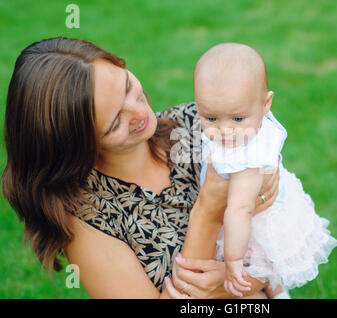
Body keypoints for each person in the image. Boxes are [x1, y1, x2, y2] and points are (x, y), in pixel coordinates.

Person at [1, 37, 281, 298]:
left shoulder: (200, 124)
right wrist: (208, 211)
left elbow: (282, 227)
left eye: (126, 87)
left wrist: (246, 279)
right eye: (115, 123)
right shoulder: (88, 220)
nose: (138, 112)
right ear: (80, 145)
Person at [193, 43, 337, 298]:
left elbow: (240, 208)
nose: (224, 130)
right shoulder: (251, 121)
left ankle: (275, 291)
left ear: (265, 103)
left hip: (252, 224)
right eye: (210, 118)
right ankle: (277, 290)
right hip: (259, 212)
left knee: (249, 277)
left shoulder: (245, 158)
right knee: (270, 276)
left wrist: (233, 261)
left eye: (237, 119)